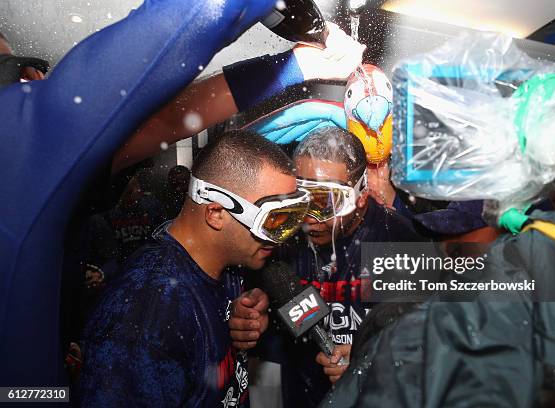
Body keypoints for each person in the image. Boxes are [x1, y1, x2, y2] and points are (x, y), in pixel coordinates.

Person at [0, 3, 365, 387]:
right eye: (14, 75)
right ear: (217, 211)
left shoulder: (391, 236)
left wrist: (234, 322)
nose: (305, 220)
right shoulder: (148, 308)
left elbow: (169, 121)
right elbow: (174, 36)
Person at [80, 130, 312, 406]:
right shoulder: (148, 314)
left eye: (292, 218)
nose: (285, 235)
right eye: (274, 221)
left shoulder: (227, 267)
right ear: (216, 213)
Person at [232, 127, 425, 407]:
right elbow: (263, 318)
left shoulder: (400, 241)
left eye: (327, 202)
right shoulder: (282, 240)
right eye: (304, 199)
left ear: (361, 194)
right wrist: (252, 320)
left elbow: (425, 340)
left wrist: (372, 363)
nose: (312, 219)